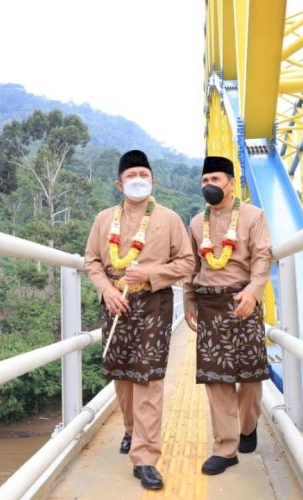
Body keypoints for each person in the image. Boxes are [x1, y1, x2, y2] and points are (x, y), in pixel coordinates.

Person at [84, 149, 195, 490]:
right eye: (131, 176)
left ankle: (146, 458)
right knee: (122, 375)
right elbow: (91, 261)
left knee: (148, 379)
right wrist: (106, 290)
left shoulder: (169, 218)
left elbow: (187, 263)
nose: (137, 181)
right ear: (119, 183)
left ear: (152, 180)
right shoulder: (104, 220)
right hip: (116, 305)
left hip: (154, 306)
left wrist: (150, 274)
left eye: (143, 175)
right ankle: (132, 430)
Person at [184, 155, 272, 475]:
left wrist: (253, 292)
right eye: (205, 181)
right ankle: (225, 447)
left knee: (249, 377)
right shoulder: (196, 223)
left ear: (231, 184)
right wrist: (189, 300)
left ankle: (248, 427)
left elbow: (262, 257)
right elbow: (192, 266)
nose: (209, 186)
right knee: (216, 378)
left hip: (243, 300)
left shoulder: (253, 216)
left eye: (215, 180)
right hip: (209, 304)